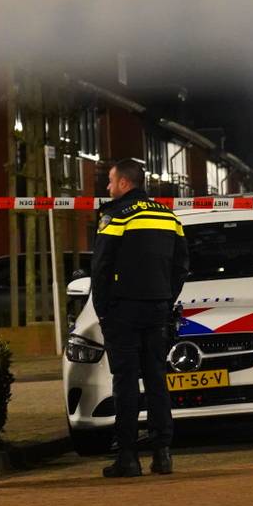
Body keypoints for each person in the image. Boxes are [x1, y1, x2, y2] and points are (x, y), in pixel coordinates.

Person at [90, 159, 190, 478]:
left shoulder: (115, 215)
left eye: (110, 181)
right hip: (158, 308)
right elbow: (181, 265)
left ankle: (128, 457)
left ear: (123, 183)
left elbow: (101, 267)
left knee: (126, 382)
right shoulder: (168, 216)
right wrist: (165, 297)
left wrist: (103, 309)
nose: (107, 187)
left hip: (123, 310)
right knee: (157, 379)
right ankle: (163, 454)